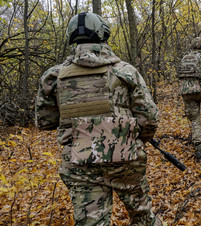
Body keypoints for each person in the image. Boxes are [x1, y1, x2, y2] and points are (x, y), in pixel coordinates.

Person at [35, 12, 161, 225]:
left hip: (80, 162)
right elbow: (149, 118)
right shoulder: (125, 71)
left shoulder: (53, 76)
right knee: (143, 218)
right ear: (103, 34)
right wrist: (133, 140)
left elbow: (45, 122)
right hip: (125, 160)